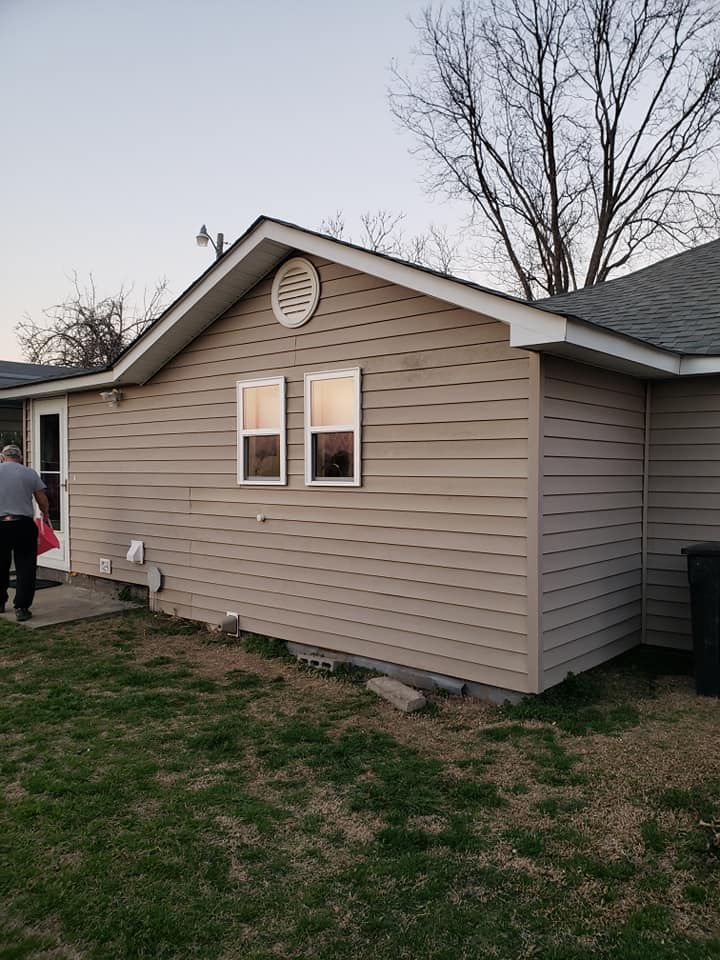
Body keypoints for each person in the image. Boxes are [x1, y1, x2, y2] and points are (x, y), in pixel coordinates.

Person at [0, 444, 50, 621]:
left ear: (2, 457)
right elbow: (41, 498)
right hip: (23, 524)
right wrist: (46, 515)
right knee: (25, 567)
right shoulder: (29, 472)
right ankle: (21, 607)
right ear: (20, 457)